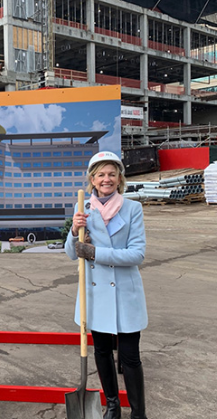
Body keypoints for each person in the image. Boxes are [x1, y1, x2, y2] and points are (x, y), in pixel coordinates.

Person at [65, 151, 148, 419]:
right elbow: (70, 253)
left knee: (129, 356)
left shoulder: (132, 209)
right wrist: (72, 230)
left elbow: (137, 254)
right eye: (101, 174)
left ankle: (138, 412)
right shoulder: (84, 209)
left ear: (119, 178)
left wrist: (95, 253)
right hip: (95, 293)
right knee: (101, 351)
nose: (106, 179)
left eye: (112, 174)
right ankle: (112, 405)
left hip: (125, 293)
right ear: (92, 179)